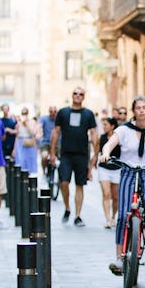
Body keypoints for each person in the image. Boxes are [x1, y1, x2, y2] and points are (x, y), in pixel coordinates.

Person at [100, 95, 145, 275]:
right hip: (129, 172)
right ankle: (119, 257)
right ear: (133, 111)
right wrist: (105, 153)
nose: (141, 110)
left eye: (144, 107)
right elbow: (110, 144)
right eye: (138, 107)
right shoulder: (124, 130)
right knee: (122, 215)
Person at [50, 87, 98, 227]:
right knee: (63, 182)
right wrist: (52, 153)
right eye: (75, 93)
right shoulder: (63, 112)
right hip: (66, 154)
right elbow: (56, 132)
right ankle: (67, 208)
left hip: (82, 154)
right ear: (72, 95)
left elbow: (94, 133)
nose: (77, 96)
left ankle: (77, 215)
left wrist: (96, 151)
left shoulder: (88, 114)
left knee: (79, 185)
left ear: (84, 97)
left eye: (80, 94)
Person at [97, 117, 121, 229]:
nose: (104, 127)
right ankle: (107, 219)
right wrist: (90, 168)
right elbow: (97, 152)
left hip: (116, 169)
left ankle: (113, 216)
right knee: (106, 194)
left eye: (106, 125)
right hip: (104, 169)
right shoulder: (101, 137)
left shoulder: (119, 137)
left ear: (112, 126)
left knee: (115, 197)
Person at [14, 107, 41, 174]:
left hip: (30, 143)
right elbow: (17, 137)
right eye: (23, 113)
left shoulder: (32, 122)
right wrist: (14, 149)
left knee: (31, 162)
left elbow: (33, 133)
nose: (24, 115)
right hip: (21, 144)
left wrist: (27, 124)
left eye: (25, 113)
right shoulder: (18, 124)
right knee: (21, 161)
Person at [39, 106, 57, 174]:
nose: (53, 113)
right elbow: (39, 126)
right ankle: (44, 171)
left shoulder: (59, 119)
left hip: (57, 143)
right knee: (44, 156)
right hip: (46, 142)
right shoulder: (44, 119)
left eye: (54, 112)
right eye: (51, 111)